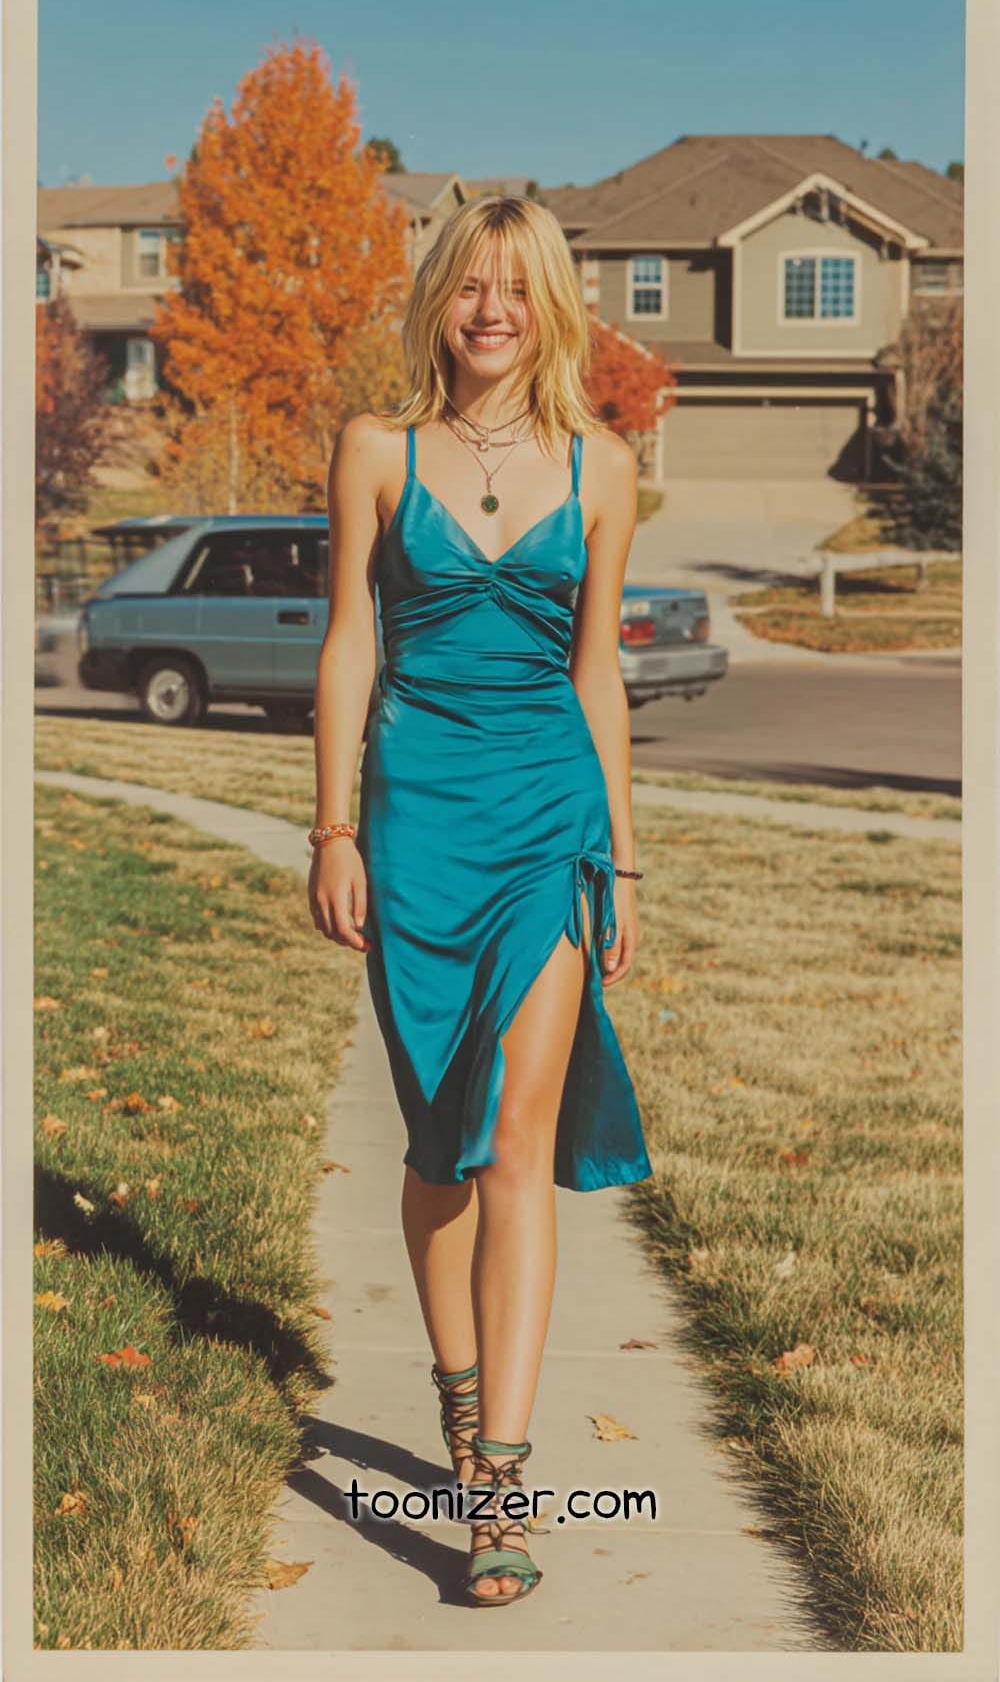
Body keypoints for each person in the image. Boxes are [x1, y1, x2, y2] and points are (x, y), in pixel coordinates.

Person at [308, 194, 652, 1607]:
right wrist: (332, 830)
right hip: (417, 821)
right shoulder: (376, 451)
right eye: (469, 286)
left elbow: (599, 676)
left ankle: (498, 1486)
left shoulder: (603, 468)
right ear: (438, 300)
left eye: (518, 288)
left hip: (547, 820)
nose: (492, 309)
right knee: (440, 1145)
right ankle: (458, 1398)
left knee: (516, 1137)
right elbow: (344, 645)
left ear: (551, 305)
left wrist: (621, 856)